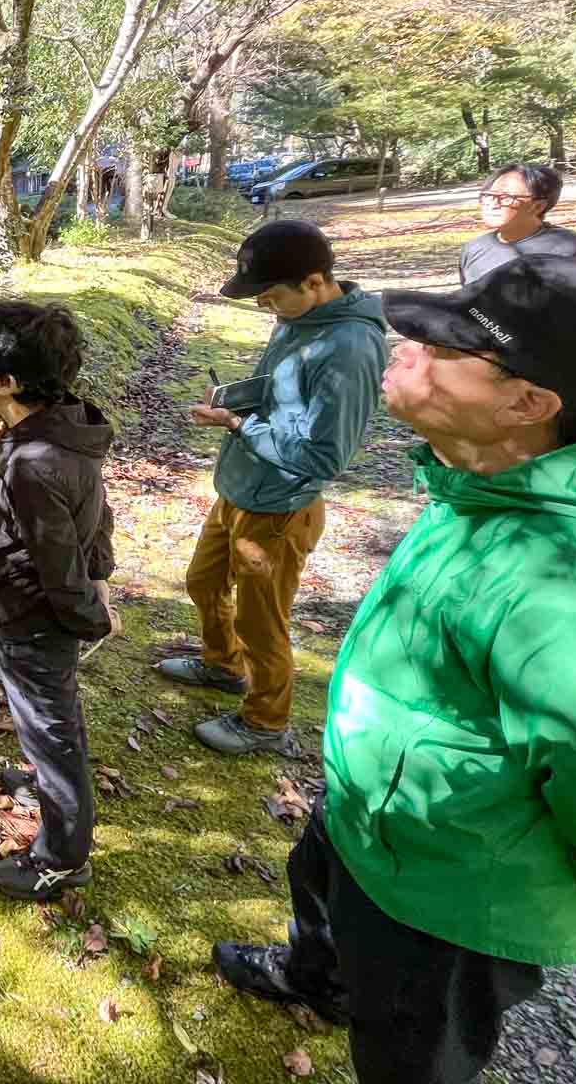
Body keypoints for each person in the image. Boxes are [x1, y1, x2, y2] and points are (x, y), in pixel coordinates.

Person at [213, 254, 576, 1084]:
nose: (402, 346)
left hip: (448, 889)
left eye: (443, 346)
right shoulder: (491, 476)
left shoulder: (568, 588)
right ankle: (316, 980)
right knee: (317, 892)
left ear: (528, 402)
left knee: (413, 1050)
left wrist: (494, 847)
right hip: (372, 809)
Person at [154, 220, 387, 755]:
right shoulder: (296, 317)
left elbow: (324, 456)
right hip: (240, 487)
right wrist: (236, 398)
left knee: (263, 622)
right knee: (204, 581)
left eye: (271, 295)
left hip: (280, 506)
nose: (266, 307)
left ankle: (265, 722)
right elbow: (278, 386)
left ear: (313, 281)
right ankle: (221, 665)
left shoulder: (348, 347)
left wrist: (240, 426)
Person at [0, 300, 119, 901]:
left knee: (53, 731)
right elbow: (97, 515)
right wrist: (102, 576)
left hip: (33, 619)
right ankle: (41, 783)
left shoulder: (33, 463)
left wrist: (93, 615)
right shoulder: (65, 424)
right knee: (44, 724)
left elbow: (58, 570)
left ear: (6, 382)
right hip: (29, 610)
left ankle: (61, 856)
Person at [460, 162, 576, 285]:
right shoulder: (474, 248)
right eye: (488, 195)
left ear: (538, 206)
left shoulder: (573, 251)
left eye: (505, 197)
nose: (492, 204)